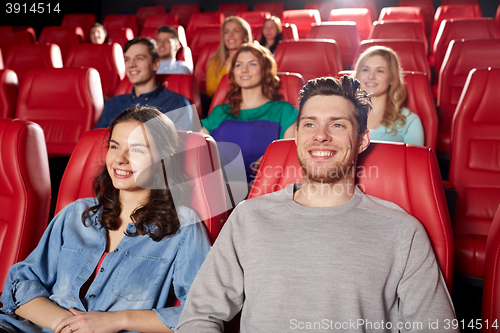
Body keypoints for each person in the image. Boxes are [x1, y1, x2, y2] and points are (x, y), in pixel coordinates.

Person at [175, 76, 458, 332]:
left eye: (337, 124)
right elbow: (199, 316)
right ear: (296, 136)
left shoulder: (403, 231)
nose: (320, 135)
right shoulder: (248, 218)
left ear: (362, 141)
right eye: (309, 124)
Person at [0, 106, 211, 333]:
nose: (120, 159)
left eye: (137, 150)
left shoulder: (183, 226)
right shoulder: (76, 213)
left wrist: (117, 321)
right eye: (114, 146)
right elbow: (20, 284)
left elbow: (203, 311)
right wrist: (66, 326)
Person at [201, 43, 297, 182]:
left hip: (265, 189)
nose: (244, 70)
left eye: (252, 64)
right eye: (238, 65)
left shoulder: (284, 111)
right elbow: (197, 156)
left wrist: (275, 159)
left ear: (265, 69)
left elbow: (291, 159)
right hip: (219, 189)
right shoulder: (218, 112)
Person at [95, 37, 194, 131]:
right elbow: (96, 140)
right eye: (127, 59)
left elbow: (184, 146)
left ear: (155, 64)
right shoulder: (113, 103)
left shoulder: (178, 104)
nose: (131, 64)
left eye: (139, 58)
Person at [353, 45, 424, 145]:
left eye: (380, 71)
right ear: (357, 76)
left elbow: (416, 159)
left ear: (391, 78)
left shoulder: (409, 121)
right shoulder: (342, 113)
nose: (371, 76)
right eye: (365, 69)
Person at [206, 16, 252, 98]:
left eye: (236, 31)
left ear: (245, 37)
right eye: (226, 32)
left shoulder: (255, 61)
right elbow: (211, 91)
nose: (230, 35)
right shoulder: (214, 62)